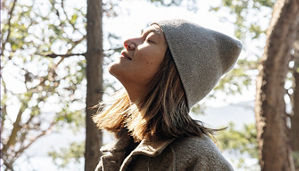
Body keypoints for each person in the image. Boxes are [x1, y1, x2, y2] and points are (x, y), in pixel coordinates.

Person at [93, 19, 242, 171]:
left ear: (173, 70)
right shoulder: (119, 150)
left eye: (150, 40)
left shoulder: (198, 157)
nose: (128, 42)